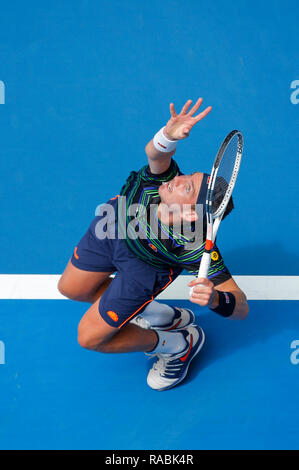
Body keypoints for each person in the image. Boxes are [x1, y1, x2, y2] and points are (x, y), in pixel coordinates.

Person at [58, 97, 249, 391]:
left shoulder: (193, 246)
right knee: (71, 289)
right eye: (188, 176)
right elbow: (156, 153)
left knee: (89, 338)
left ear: (188, 213)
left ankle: (175, 344)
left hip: (142, 271)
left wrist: (213, 300)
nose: (178, 178)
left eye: (186, 186)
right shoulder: (159, 181)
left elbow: (241, 307)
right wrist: (168, 135)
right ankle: (160, 315)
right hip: (112, 226)